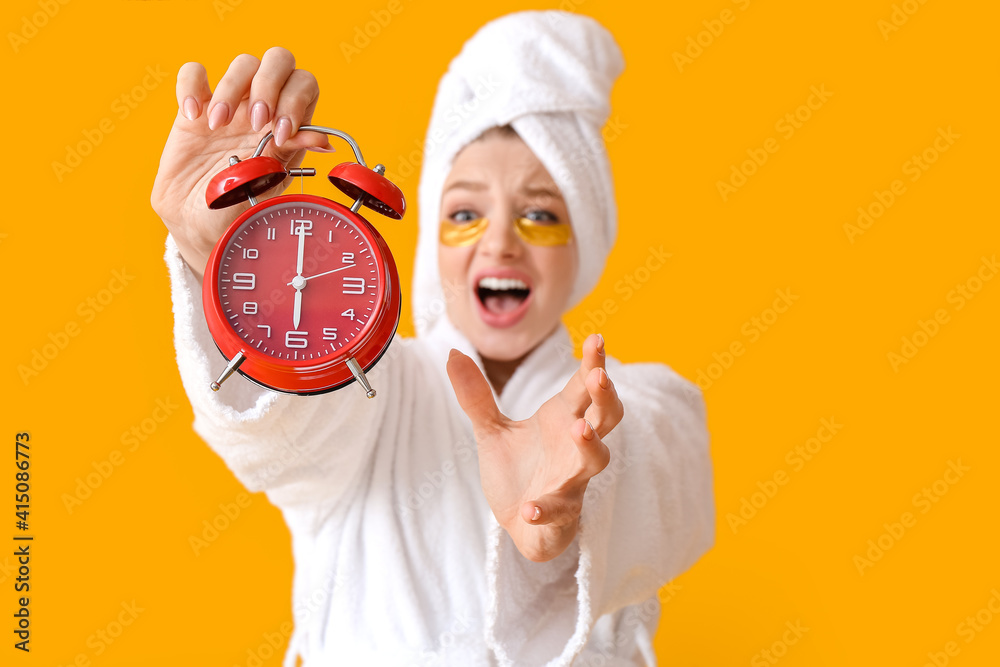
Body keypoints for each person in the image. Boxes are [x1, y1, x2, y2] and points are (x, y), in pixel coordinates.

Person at [151, 11, 714, 667]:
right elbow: (289, 432)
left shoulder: (643, 405)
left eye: (539, 213)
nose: (499, 240)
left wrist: (563, 508)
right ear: (431, 242)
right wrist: (223, 257)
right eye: (465, 213)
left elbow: (661, 474)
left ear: (585, 241)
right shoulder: (377, 385)